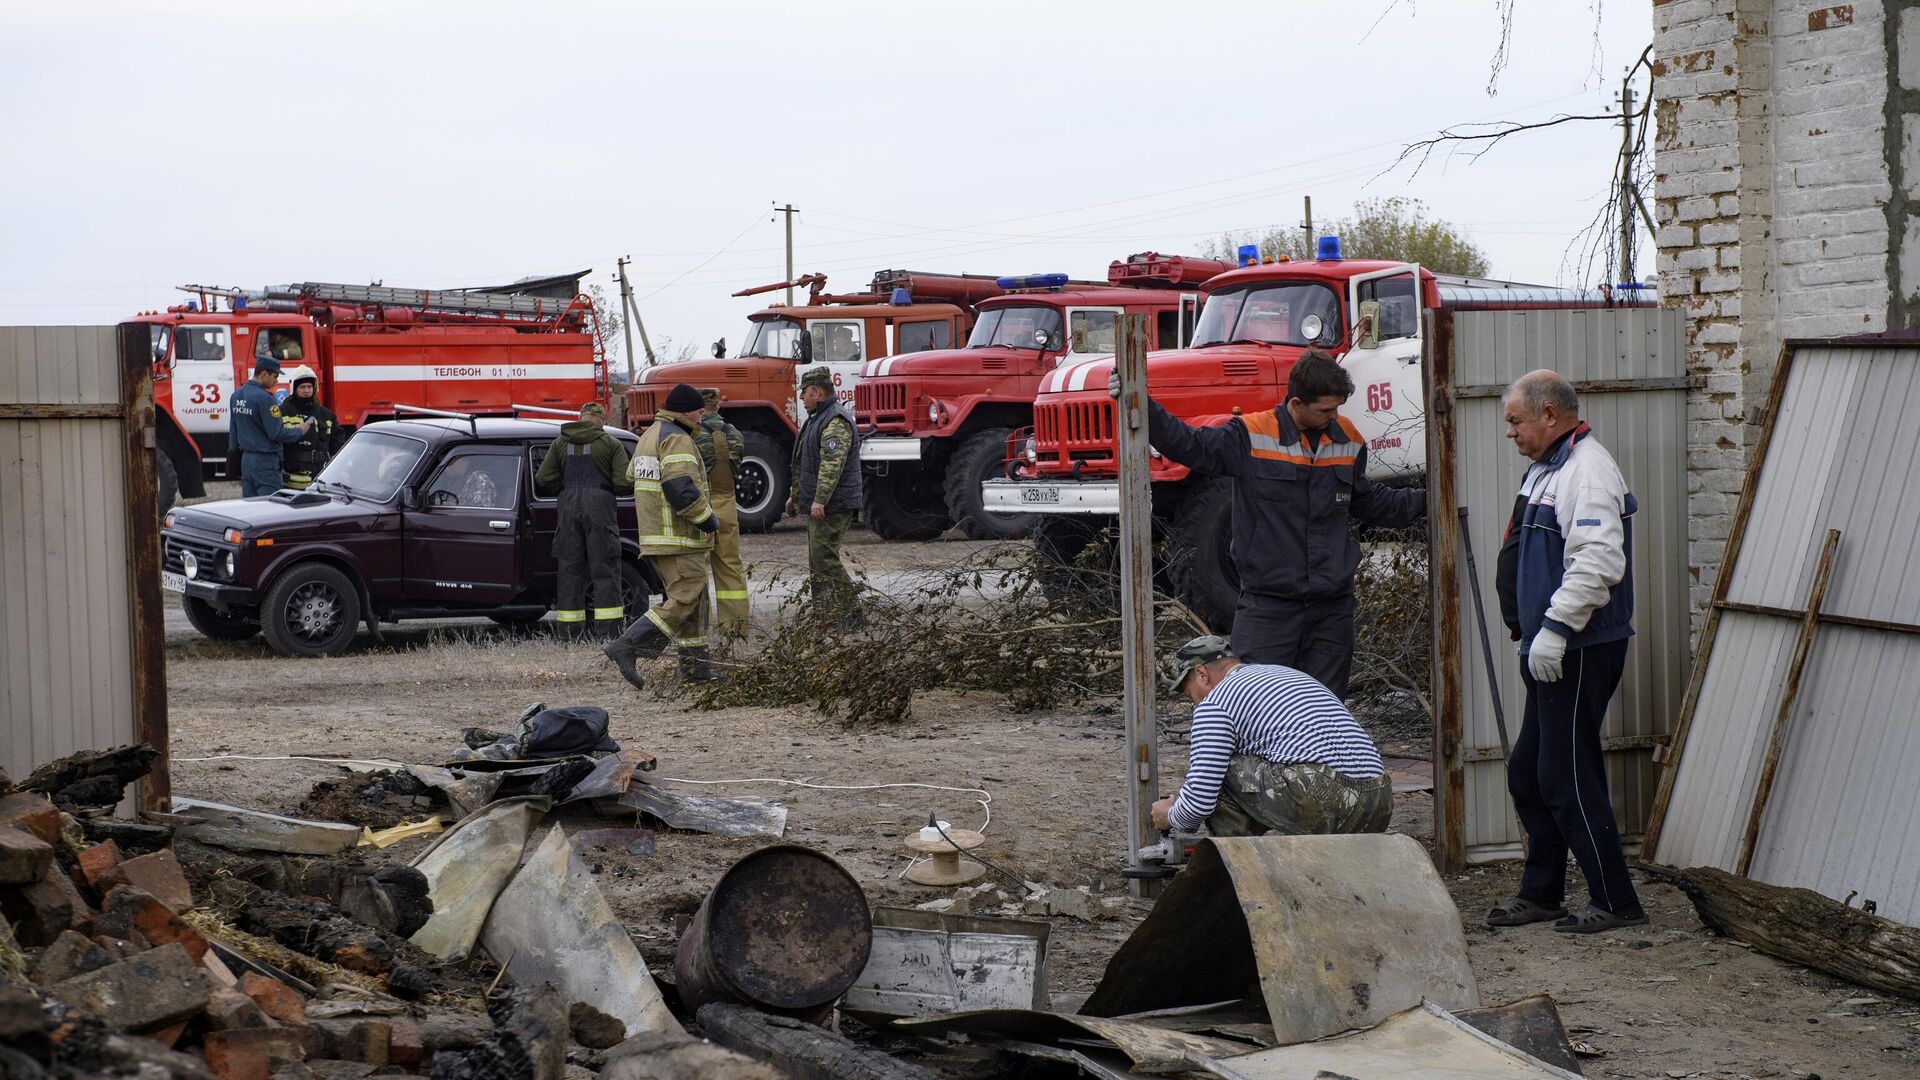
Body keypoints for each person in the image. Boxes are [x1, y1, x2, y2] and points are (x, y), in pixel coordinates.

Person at [1122, 350, 1425, 699]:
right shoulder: (1250, 436)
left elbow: (1369, 503)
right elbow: (1189, 445)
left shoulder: (1349, 439)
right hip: (1269, 608)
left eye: (1337, 408)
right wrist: (1138, 402)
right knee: (1257, 707)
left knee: (1324, 710)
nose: (1334, 417)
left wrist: (1428, 499)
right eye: (1325, 410)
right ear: (1296, 403)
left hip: (1331, 609)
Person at [1486, 370, 1647, 935]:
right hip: (1549, 647)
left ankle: (1615, 898)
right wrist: (1527, 626)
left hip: (1578, 647)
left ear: (1550, 415)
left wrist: (1554, 628)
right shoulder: (1547, 470)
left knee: (1566, 774)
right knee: (1529, 771)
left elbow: (1600, 559)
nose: (1509, 432)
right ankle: (1542, 892)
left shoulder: (1587, 470)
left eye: (1515, 420)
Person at [1151, 635, 1392, 837]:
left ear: (1202, 673)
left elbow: (1199, 801)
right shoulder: (1284, 675)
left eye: (1188, 690)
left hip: (1326, 798)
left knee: (1222, 770)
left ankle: (1237, 873)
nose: (1193, 700)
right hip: (1380, 801)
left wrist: (1171, 815)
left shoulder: (1216, 701)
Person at [605, 384, 720, 686]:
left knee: (695, 603)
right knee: (684, 599)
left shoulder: (648, 437)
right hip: (679, 538)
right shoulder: (677, 438)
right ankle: (627, 646)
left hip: (657, 538)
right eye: (697, 410)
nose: (700, 416)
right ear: (684, 410)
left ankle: (697, 671)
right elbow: (681, 488)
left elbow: (631, 477)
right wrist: (708, 521)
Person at [533, 403, 633, 641]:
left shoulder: (560, 442)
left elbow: (543, 477)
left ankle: (570, 635)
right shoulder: (611, 444)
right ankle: (608, 634)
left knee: (569, 572)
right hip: (600, 510)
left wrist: (566, 489)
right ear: (601, 420)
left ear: (580, 418)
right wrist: (604, 489)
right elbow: (623, 483)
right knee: (605, 571)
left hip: (567, 508)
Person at [786, 366, 864, 616]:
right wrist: (796, 495)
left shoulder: (835, 420)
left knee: (824, 558)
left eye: (804, 393)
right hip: (821, 503)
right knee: (817, 560)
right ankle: (824, 613)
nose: (800, 398)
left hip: (834, 504)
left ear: (816, 392)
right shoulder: (818, 418)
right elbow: (807, 463)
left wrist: (820, 500)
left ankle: (852, 612)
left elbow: (832, 465)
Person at [695, 388, 750, 639]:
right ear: (717, 406)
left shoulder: (692, 434)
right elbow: (736, 465)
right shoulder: (735, 433)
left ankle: (697, 627)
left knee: (696, 568)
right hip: (728, 503)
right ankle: (736, 627)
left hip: (702, 504)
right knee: (730, 566)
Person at [229, 356, 309, 497]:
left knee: (250, 507)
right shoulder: (266, 399)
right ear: (264, 374)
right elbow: (276, 433)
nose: (276, 381)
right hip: (266, 462)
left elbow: (234, 430)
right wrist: (299, 430)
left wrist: (233, 459)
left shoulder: (236, 395)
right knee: (270, 507)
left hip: (246, 461)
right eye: (275, 376)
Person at [277, 366, 344, 490]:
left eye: (309, 387)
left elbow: (338, 446)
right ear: (294, 388)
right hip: (291, 484)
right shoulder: (284, 412)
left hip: (319, 483)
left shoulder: (326, 415)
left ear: (315, 388)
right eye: (302, 387)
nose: (307, 390)